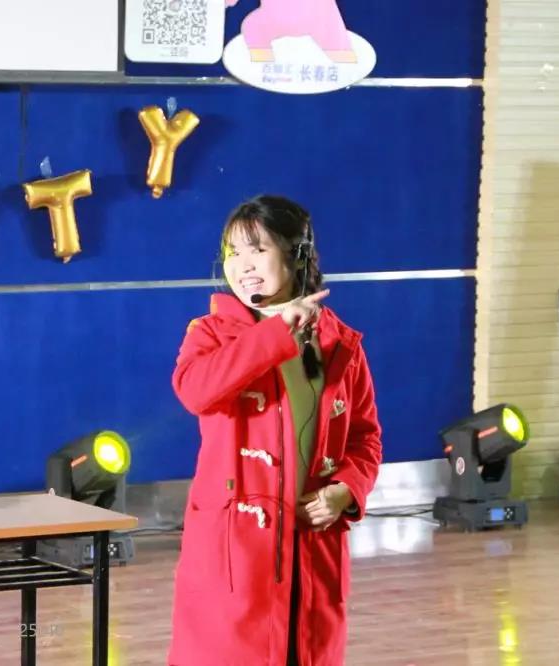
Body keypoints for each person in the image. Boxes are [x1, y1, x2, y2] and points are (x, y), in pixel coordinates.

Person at [167, 195, 382, 665]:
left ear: (297, 254)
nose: (242, 265)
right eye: (232, 253)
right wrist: (275, 333)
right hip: (235, 551)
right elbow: (195, 391)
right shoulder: (211, 333)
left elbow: (366, 437)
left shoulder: (341, 344)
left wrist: (345, 490)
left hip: (312, 542)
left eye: (257, 249)